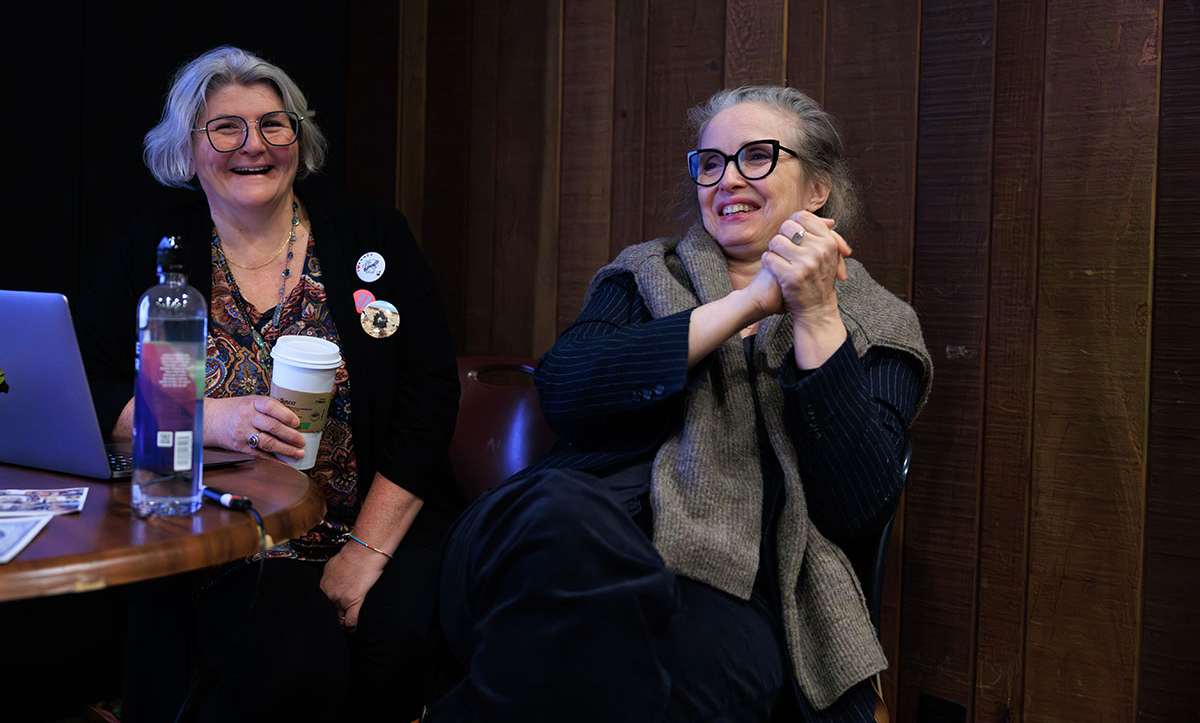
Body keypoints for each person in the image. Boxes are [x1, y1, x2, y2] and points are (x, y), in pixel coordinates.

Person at [426, 86, 933, 722]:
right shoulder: (641, 276)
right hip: (552, 542)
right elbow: (567, 393)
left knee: (662, 679)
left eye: (756, 157)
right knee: (566, 518)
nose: (727, 180)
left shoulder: (879, 325)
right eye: (711, 162)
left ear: (817, 190)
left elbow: (857, 506)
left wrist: (816, 313)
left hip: (734, 587)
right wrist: (748, 305)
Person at [76, 46, 461, 722]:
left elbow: (428, 399)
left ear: (298, 138)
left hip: (370, 523)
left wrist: (363, 554)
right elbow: (92, 392)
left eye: (273, 125)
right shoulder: (152, 248)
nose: (253, 145)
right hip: (213, 542)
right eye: (226, 128)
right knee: (294, 659)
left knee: (393, 647)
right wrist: (206, 420)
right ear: (190, 150)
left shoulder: (372, 236)